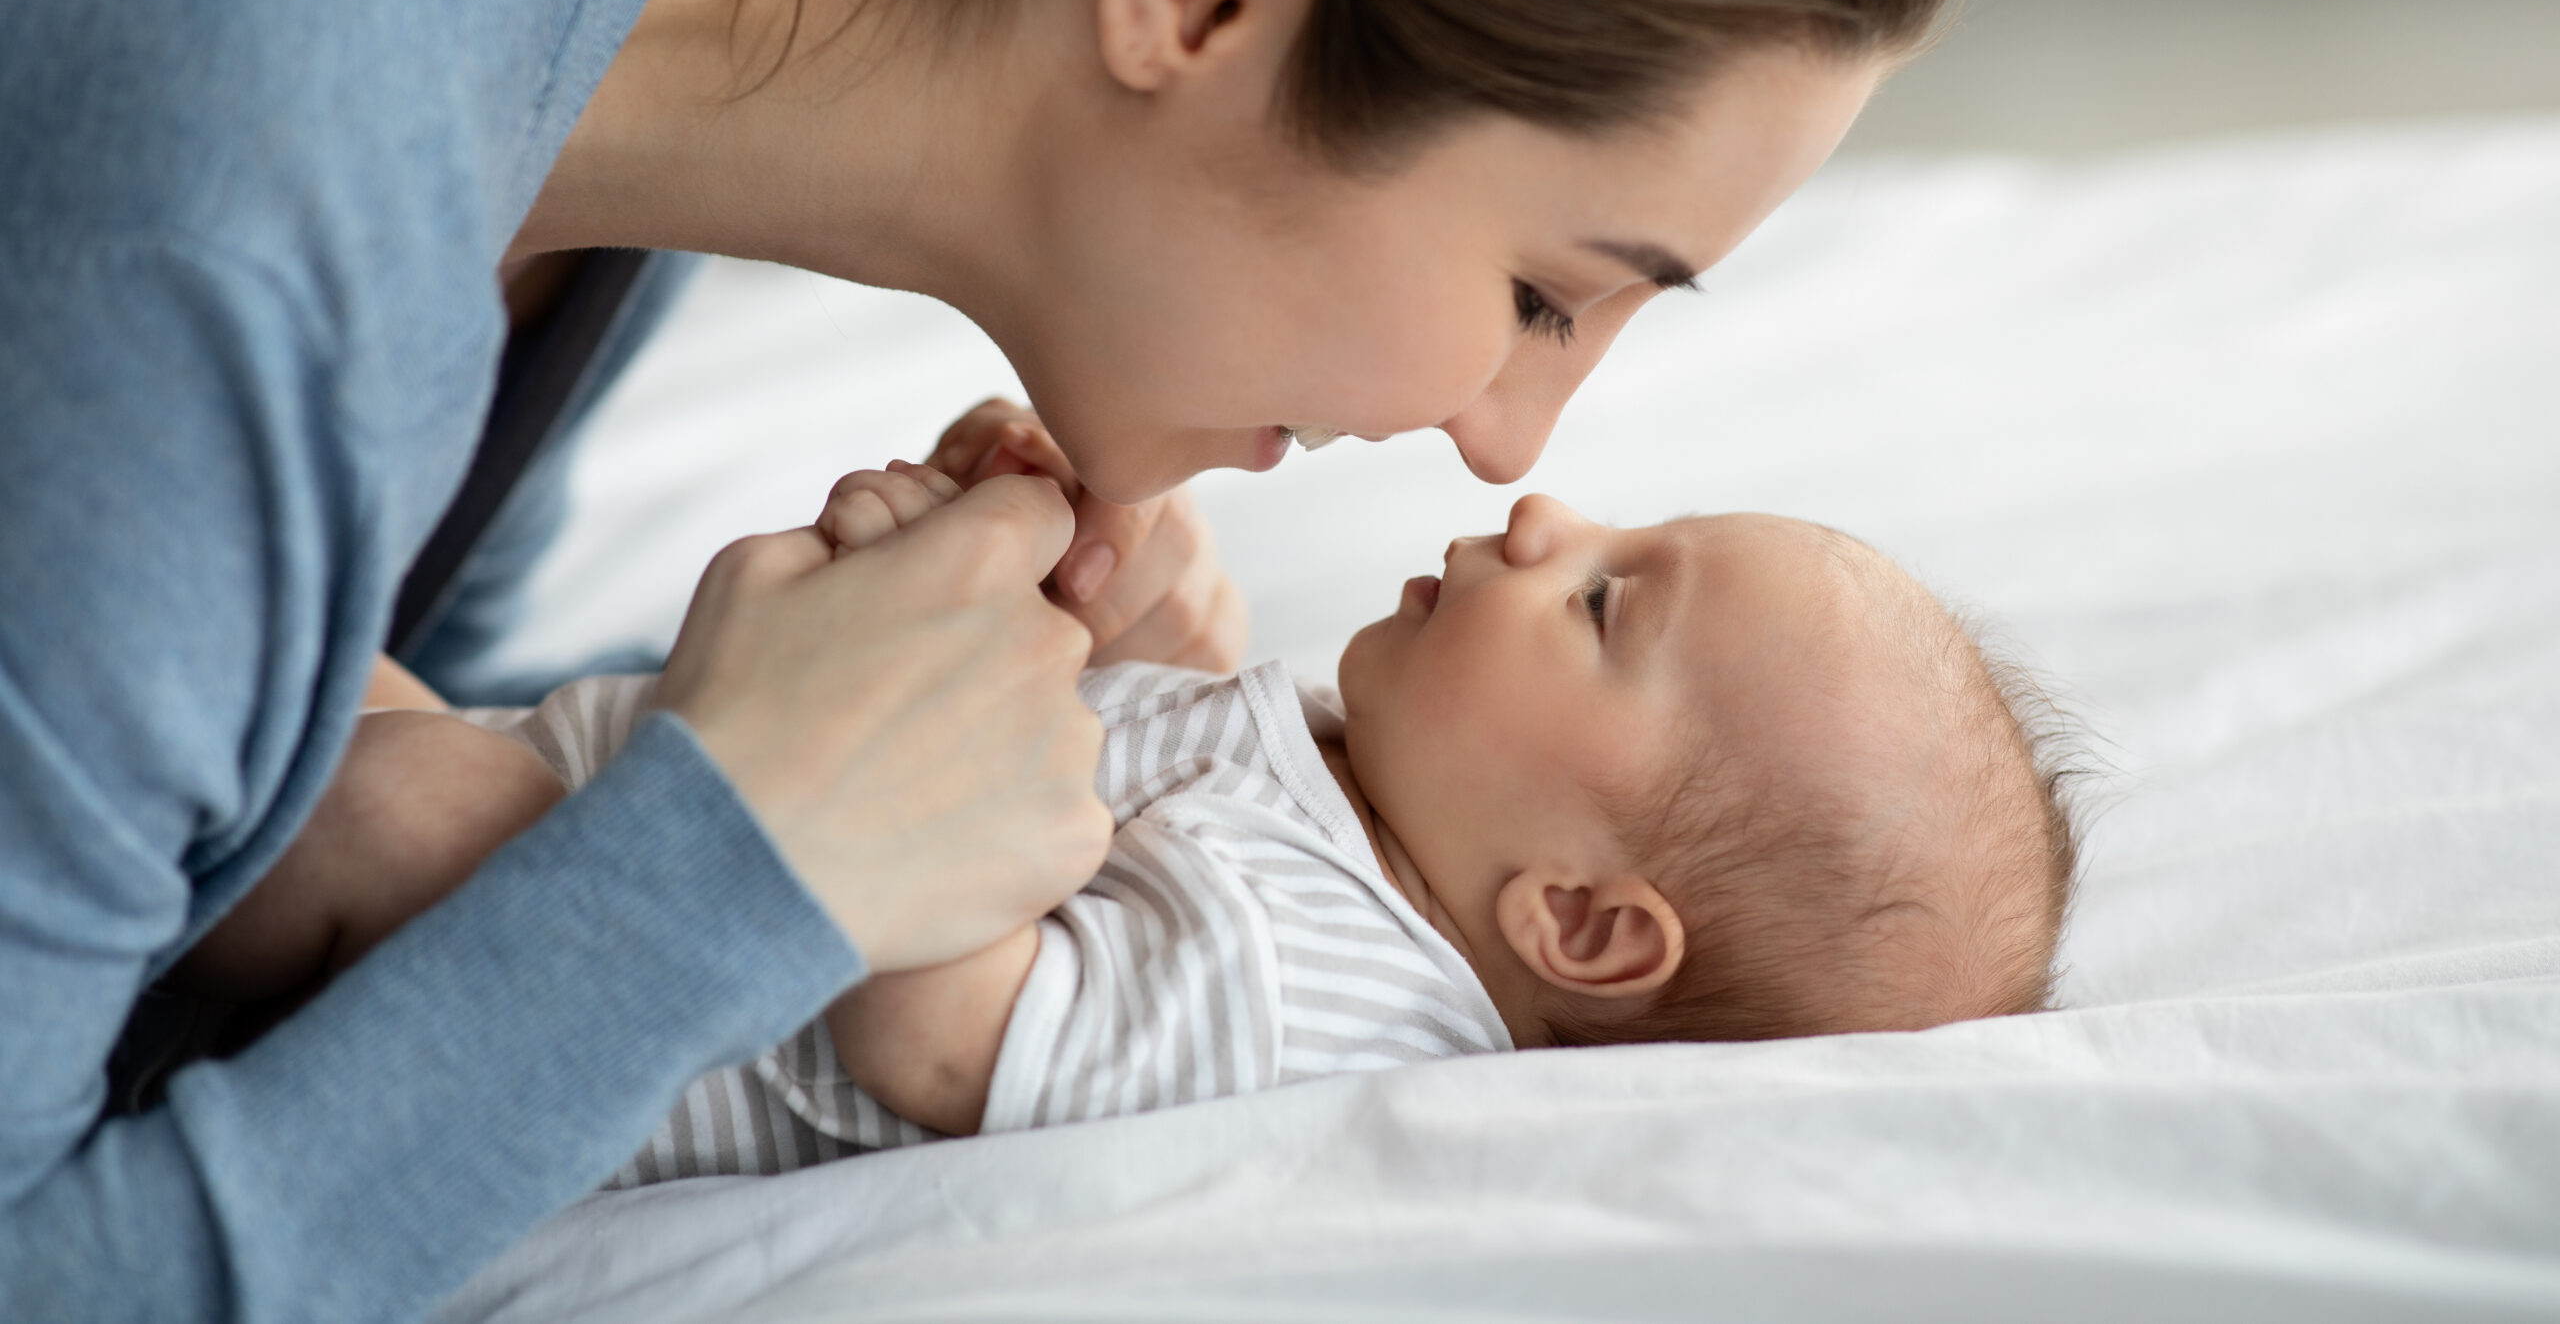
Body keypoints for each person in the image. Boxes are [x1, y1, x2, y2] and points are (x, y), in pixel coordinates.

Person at [0, 0, 1983, 1317]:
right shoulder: (243, 211)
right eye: (1546, 291)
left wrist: (862, 709)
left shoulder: (561, 67)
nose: (1508, 441)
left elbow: (270, 731)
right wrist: (742, 857)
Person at [174, 446, 2083, 1178]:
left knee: (385, 799)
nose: (1540, 516)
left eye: (1603, 603)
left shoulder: (1313, 981)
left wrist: (919, 680)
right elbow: (1126, 752)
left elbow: (948, 1038)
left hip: (571, 990)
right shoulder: (1354, 778)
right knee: (298, 659)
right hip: (575, 787)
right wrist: (1107, 608)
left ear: (1578, 925)